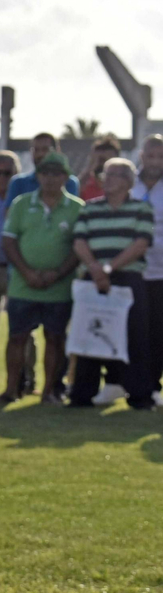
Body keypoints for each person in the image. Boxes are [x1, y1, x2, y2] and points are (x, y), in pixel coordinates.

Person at [68, 158, 153, 410]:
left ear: (128, 182)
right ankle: (82, 395)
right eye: (105, 174)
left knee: (135, 338)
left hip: (127, 279)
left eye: (114, 175)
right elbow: (79, 242)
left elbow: (140, 244)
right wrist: (95, 268)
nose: (107, 179)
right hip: (93, 279)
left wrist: (108, 268)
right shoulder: (89, 208)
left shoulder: (141, 209)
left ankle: (139, 396)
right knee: (89, 335)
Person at [0, 152, 81, 404]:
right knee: (17, 337)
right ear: (38, 176)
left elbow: (80, 247)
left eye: (56, 174)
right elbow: (8, 240)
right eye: (45, 173)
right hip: (24, 285)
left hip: (59, 287)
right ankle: (11, 389)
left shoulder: (77, 207)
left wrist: (57, 273)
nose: (50, 179)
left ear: (66, 177)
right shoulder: (22, 203)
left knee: (55, 338)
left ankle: (48, 392)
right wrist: (27, 272)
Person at [0, 150, 30, 393]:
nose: (1, 177)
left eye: (6, 173)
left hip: (17, 269)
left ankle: (26, 379)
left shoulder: (24, 200)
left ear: (15, 174)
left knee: (22, 329)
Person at [130, 135, 163, 399]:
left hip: (162, 271)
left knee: (158, 330)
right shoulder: (129, 185)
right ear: (142, 157)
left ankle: (154, 384)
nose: (155, 162)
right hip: (134, 269)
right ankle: (132, 383)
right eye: (151, 156)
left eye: (160, 157)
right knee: (136, 330)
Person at [5, 132, 76, 205]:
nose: (40, 154)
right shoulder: (18, 183)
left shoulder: (69, 182)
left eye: (45, 149)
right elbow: (10, 214)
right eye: (36, 150)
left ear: (57, 151)